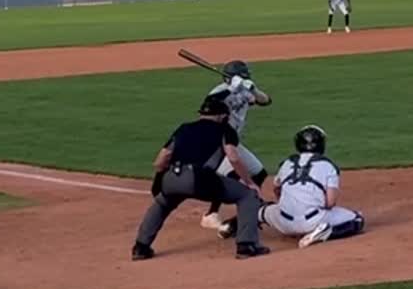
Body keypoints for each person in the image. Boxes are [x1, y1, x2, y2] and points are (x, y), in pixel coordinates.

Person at [132, 92, 273, 260]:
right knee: (248, 196)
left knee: (162, 203)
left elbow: (161, 160)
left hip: (172, 176)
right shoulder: (225, 129)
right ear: (222, 115)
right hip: (199, 179)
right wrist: (249, 182)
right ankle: (246, 245)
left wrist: (160, 181)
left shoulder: (184, 128)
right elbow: (233, 157)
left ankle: (140, 247)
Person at [256, 125, 366, 248]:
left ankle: (234, 225)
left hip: (283, 222)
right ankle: (325, 233)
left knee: (261, 211)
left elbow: (277, 189)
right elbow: (330, 203)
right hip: (312, 222)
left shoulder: (287, 163)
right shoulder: (328, 166)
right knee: (357, 219)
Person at [199, 60, 272, 234]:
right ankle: (212, 214)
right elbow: (210, 103)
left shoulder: (244, 91)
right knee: (229, 176)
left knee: (259, 173)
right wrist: (230, 89)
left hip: (234, 141)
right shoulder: (219, 92)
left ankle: (247, 210)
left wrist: (252, 89)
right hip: (218, 142)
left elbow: (266, 101)